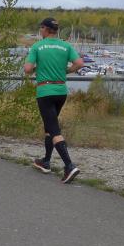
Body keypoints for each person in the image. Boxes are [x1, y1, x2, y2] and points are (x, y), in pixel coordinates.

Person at [24, 17, 86, 184]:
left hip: (45, 92)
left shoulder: (37, 46)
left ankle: (69, 166)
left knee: (54, 130)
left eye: (41, 28)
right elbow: (79, 63)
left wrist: (37, 68)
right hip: (61, 91)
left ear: (45, 29)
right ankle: (46, 161)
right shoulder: (66, 46)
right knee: (49, 127)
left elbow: (27, 69)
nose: (40, 31)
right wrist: (66, 71)